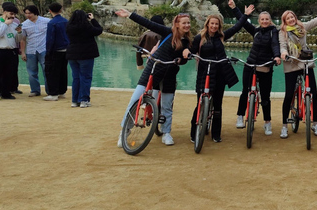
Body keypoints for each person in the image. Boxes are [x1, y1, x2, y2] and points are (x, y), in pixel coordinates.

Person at [116, 10, 192, 146]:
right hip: (154, 69)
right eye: (184, 23)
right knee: (135, 100)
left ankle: (166, 132)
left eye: (188, 23)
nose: (187, 25)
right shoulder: (167, 32)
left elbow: (184, 59)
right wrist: (129, 15)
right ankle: (125, 130)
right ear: (177, 24)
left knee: (167, 105)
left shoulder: (186, 41)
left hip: (170, 73)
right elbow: (148, 23)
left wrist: (183, 57)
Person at [188, 9, 249, 143]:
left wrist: (245, 15)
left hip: (220, 72)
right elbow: (191, 50)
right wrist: (187, 53)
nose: (214, 26)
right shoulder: (200, 38)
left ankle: (216, 134)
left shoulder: (221, 36)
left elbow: (236, 27)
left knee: (217, 104)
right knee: (199, 102)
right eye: (212, 24)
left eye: (217, 24)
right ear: (208, 24)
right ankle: (194, 132)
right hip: (205, 71)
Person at [279, 7, 317, 139]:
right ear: (285, 21)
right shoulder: (282, 32)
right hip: (291, 62)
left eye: (292, 17)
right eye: (288, 18)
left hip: (305, 62)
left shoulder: (302, 27)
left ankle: (315, 123)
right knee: (288, 95)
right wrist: (284, 52)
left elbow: (316, 21)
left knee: (313, 93)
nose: (291, 19)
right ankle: (284, 126)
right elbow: (282, 45)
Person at [228, 0, 281, 135]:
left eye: (266, 19)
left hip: (265, 66)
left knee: (265, 96)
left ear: (270, 21)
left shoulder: (273, 32)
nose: (264, 21)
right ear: (259, 21)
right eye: (262, 19)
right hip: (250, 64)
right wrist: (235, 8)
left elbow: (275, 44)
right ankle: (240, 116)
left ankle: (267, 122)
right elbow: (243, 22)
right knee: (245, 92)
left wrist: (276, 56)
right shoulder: (255, 31)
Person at [65, 10, 103, 108]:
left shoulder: (69, 27)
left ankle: (74, 100)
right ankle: (84, 100)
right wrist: (93, 20)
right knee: (85, 77)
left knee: (76, 78)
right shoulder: (86, 26)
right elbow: (99, 30)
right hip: (86, 55)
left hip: (72, 55)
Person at [20, 5, 50, 97]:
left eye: (30, 13)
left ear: (35, 12)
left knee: (47, 70)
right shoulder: (24, 25)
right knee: (31, 72)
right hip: (31, 50)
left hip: (44, 49)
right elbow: (22, 39)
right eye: (26, 13)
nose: (28, 15)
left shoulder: (47, 21)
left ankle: (50, 90)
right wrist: (23, 52)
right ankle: (35, 90)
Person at [44, 3, 69, 101]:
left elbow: (50, 39)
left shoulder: (52, 23)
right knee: (63, 70)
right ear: (61, 9)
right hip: (66, 49)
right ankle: (61, 91)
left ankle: (53, 93)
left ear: (50, 11)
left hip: (55, 50)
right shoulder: (65, 21)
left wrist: (48, 51)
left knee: (52, 71)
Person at [0, 2, 20, 100]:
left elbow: (17, 39)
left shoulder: (14, 24)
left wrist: (20, 32)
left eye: (14, 14)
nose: (13, 16)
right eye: (11, 14)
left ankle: (6, 92)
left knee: (9, 73)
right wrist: (5, 24)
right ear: (5, 12)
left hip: (11, 51)